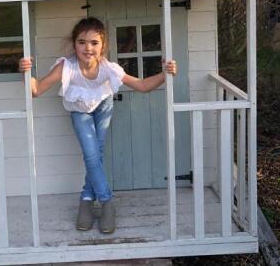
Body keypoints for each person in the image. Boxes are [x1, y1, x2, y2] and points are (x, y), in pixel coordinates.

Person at [18, 17, 177, 234]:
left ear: (103, 46)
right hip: (79, 110)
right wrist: (25, 72)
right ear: (74, 44)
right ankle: (106, 202)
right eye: (82, 42)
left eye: (94, 42)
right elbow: (36, 90)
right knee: (91, 155)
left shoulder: (108, 68)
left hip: (103, 106)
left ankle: (86, 199)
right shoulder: (67, 67)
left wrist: (165, 74)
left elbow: (142, 85)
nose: (88, 48)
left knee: (96, 154)